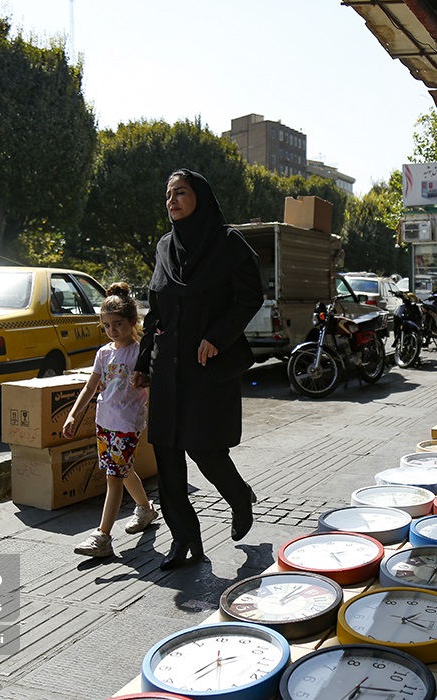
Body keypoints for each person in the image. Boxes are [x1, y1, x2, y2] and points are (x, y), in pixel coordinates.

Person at [131, 169, 264, 571]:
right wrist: (142, 362)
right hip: (166, 369)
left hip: (206, 367)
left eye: (181, 193)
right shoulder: (164, 246)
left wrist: (218, 336)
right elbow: (156, 311)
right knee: (167, 456)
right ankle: (184, 539)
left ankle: (239, 497)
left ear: (200, 198)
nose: (171, 200)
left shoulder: (228, 243)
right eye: (168, 194)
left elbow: (250, 297)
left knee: (205, 449)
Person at [65, 283, 156, 558]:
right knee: (122, 470)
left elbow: (153, 385)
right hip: (104, 422)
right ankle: (145, 508)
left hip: (127, 424)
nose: (112, 330)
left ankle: (102, 536)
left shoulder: (140, 353)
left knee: (113, 476)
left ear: (133, 322)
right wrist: (73, 414)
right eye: (106, 325)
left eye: (117, 324)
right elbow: (90, 386)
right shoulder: (104, 353)